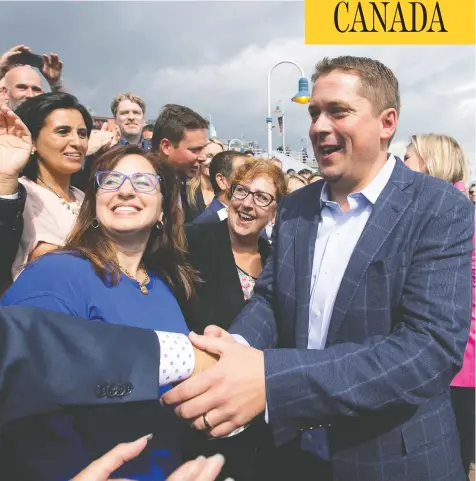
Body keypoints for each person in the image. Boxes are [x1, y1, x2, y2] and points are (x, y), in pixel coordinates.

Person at [161, 56, 474, 481]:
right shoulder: (294, 209)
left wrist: (272, 382)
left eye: (338, 111)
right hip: (293, 455)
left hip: (392, 459)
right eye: (313, 113)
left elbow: (428, 349)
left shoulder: (439, 208)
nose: (318, 127)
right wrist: (235, 346)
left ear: (387, 122)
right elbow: (272, 299)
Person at [0, 145, 213, 481]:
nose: (125, 189)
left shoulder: (165, 286)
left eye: (144, 182)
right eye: (111, 181)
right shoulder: (56, 273)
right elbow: (22, 403)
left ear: (163, 210)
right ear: (95, 203)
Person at [183, 159, 286, 481]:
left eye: (262, 198)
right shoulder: (193, 240)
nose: (248, 204)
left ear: (274, 211)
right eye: (242, 191)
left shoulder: (277, 258)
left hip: (256, 404)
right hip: (200, 395)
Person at [404, 133, 475, 478]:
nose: (400, 167)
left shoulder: (455, 218)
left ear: (430, 164)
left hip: (460, 363)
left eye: (407, 158)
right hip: (456, 359)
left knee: (451, 456)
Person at [0, 93, 92, 283]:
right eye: (63, 131)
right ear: (32, 141)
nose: (76, 142)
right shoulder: (21, 194)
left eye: (82, 133)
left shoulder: (83, 197)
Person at [151, 104, 209, 222]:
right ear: (166, 147)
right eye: (195, 149)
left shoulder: (182, 180)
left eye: (204, 148)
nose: (203, 157)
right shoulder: (145, 189)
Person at [0, 45, 65, 109]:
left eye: (36, 89)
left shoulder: (43, 117)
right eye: (22, 88)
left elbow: (67, 111)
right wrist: (1, 69)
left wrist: (55, 82)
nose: (30, 95)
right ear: (4, 92)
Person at [193, 150, 248, 225]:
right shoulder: (202, 227)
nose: (252, 179)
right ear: (222, 181)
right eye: (243, 173)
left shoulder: (252, 218)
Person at [186, 139, 225, 217]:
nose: (213, 162)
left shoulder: (227, 194)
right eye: (209, 156)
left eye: (218, 158)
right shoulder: (185, 190)